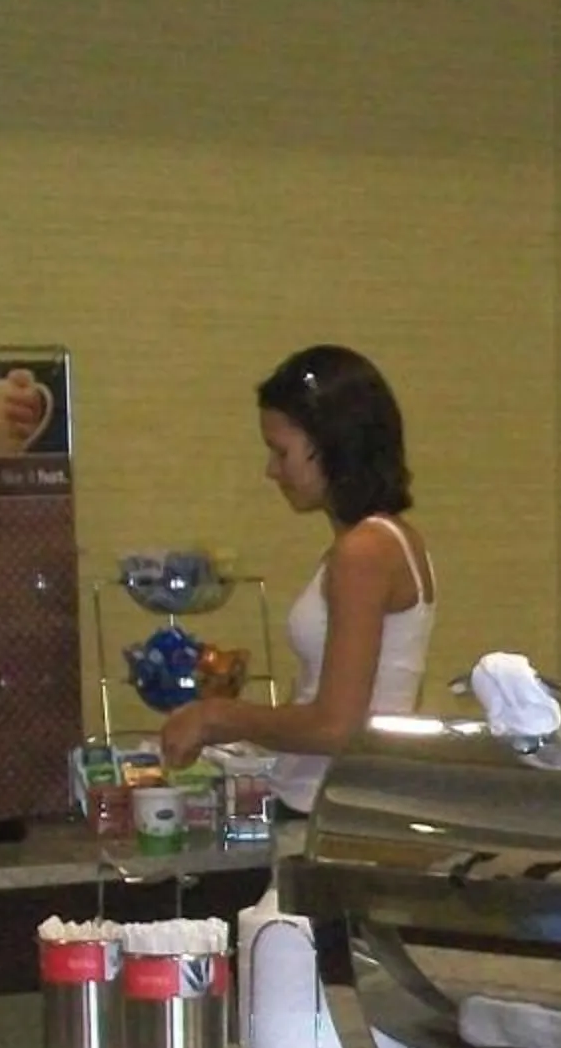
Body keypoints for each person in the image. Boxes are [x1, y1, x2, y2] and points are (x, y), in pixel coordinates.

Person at [157, 345, 435, 811]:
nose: (272, 470)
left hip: (329, 807)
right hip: (337, 800)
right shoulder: (388, 541)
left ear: (330, 445)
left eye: (280, 451)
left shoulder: (364, 552)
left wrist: (217, 718)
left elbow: (337, 725)